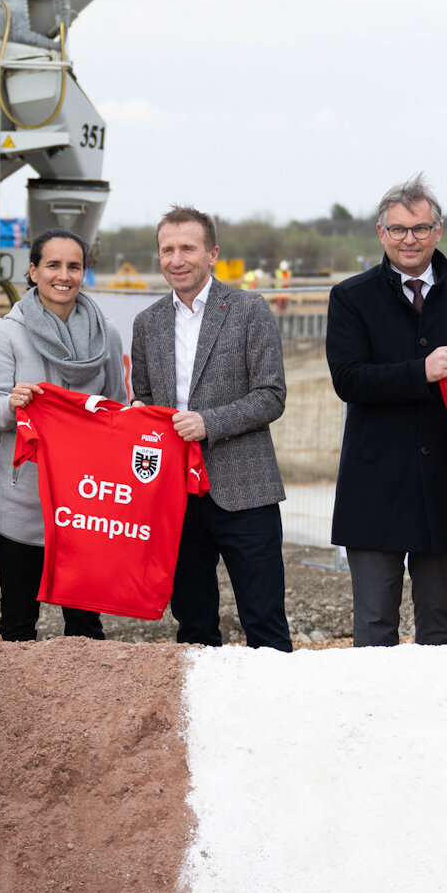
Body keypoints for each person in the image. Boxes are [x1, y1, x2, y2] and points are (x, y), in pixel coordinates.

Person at [326, 176, 447, 646]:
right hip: (374, 487)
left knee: (439, 626)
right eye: (398, 230)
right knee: (375, 624)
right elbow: (349, 379)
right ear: (381, 233)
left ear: (438, 231)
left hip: (445, 485)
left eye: (420, 229)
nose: (409, 240)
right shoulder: (350, 298)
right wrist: (421, 371)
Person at [127, 206, 292, 651]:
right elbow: (143, 398)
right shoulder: (147, 324)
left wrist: (208, 423)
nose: (176, 259)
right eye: (167, 250)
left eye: (187, 248)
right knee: (194, 625)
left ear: (212, 253)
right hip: (175, 498)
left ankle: (278, 713)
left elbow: (271, 395)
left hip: (245, 489)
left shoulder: (249, 310)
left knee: (264, 620)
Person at [0, 227, 127, 641]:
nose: (64, 275)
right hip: (21, 503)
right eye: (53, 265)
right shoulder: (6, 333)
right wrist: (12, 404)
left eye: (74, 266)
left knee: (84, 628)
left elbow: (115, 409)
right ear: (33, 271)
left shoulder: (107, 336)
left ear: (84, 272)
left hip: (85, 504)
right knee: (18, 624)